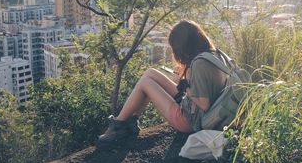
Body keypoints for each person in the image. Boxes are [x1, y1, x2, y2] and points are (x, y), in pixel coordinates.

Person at [97, 20, 228, 147]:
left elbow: (205, 105)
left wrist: (187, 86)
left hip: (188, 120)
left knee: (146, 83)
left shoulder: (199, 64)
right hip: (192, 108)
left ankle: (117, 126)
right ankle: (129, 122)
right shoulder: (213, 54)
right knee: (150, 73)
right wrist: (185, 83)